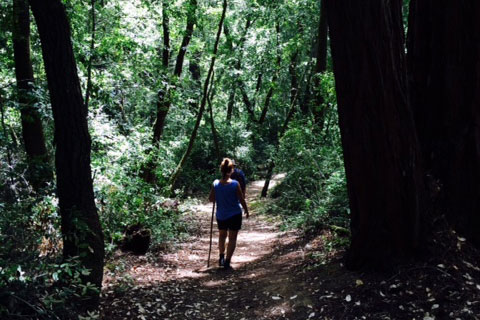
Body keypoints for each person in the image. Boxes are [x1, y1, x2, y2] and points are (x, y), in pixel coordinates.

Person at [209, 158, 249, 269]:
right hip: (235, 214)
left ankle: (221, 256)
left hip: (221, 215)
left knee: (222, 236)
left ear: (221, 170)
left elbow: (211, 199)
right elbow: (241, 199)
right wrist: (246, 210)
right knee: (232, 238)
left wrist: (219, 195)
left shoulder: (215, 184)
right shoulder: (235, 184)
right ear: (231, 170)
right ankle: (227, 262)